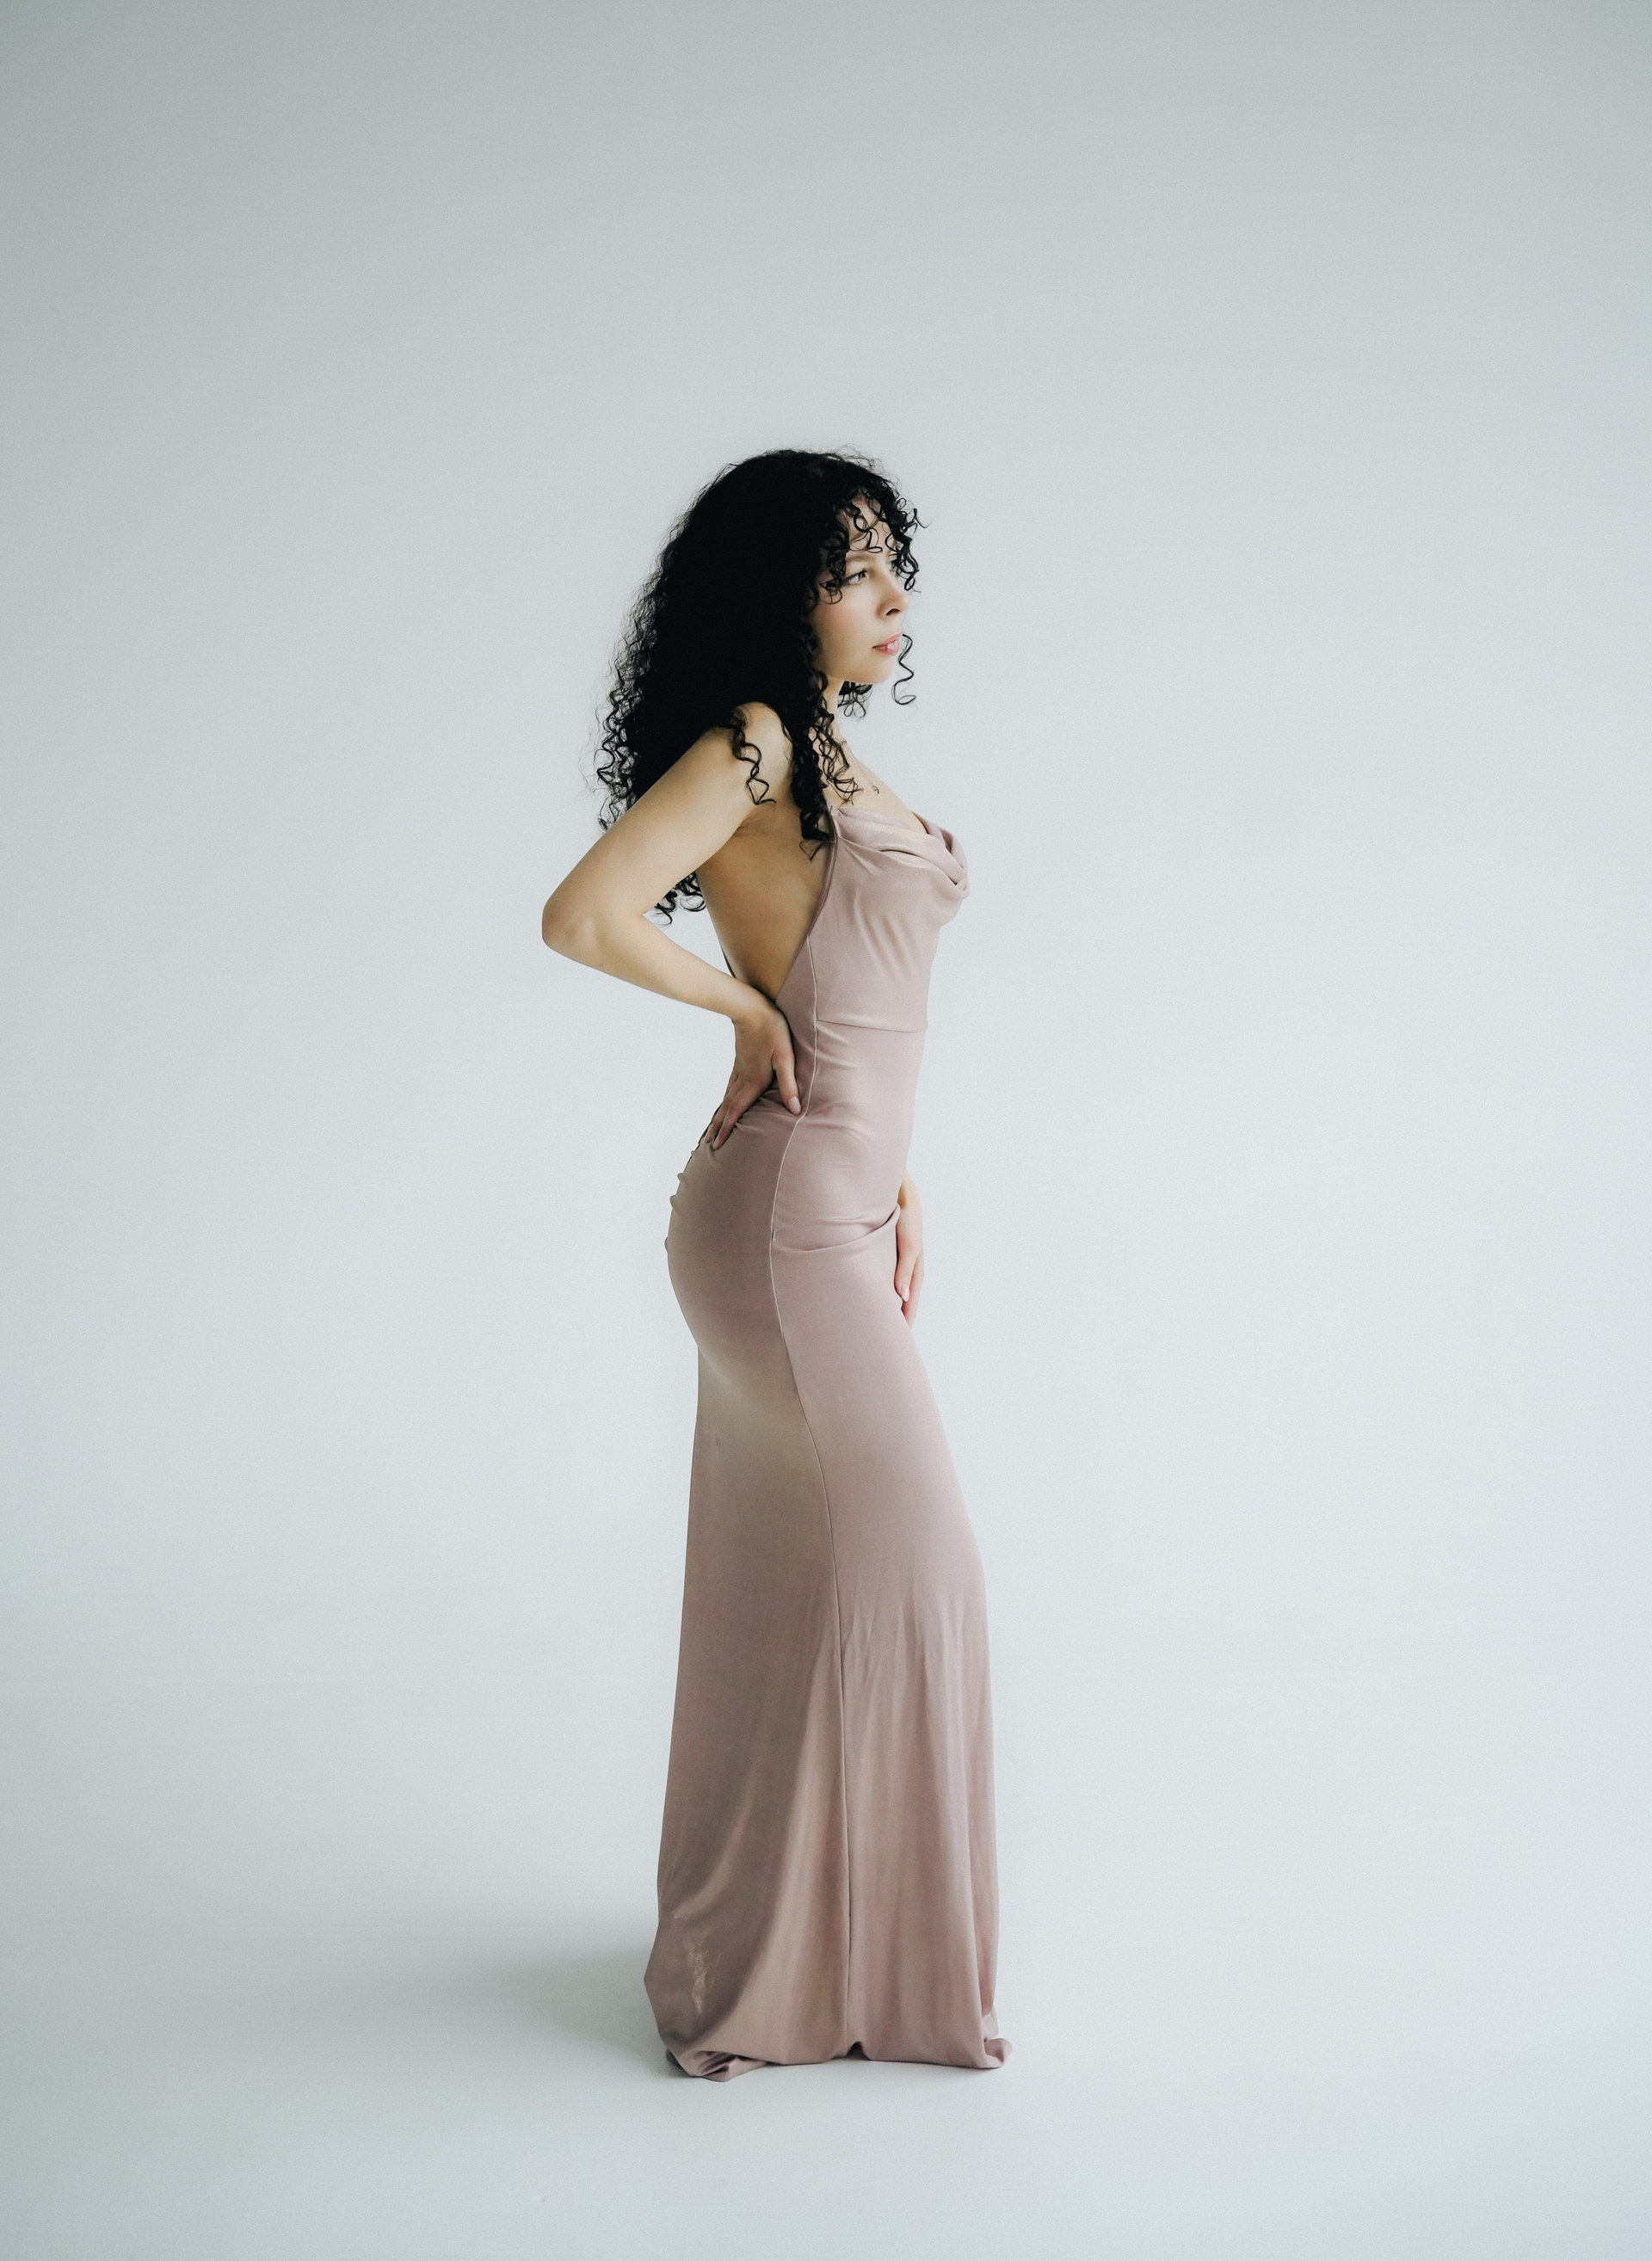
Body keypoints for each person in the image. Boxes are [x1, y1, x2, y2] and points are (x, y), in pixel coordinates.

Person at [542, 448, 1008, 2079]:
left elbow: (860, 1004)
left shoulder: (830, 755)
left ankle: (800, 1957)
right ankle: (838, 1970)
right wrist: (740, 1010)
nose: (892, 596)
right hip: (784, 1222)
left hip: (838, 1207)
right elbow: (586, 914)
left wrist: (902, 1173)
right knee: (920, 1574)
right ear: (776, 590)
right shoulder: (755, 742)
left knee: (791, 1586)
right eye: (853, 567)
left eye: (894, 563)